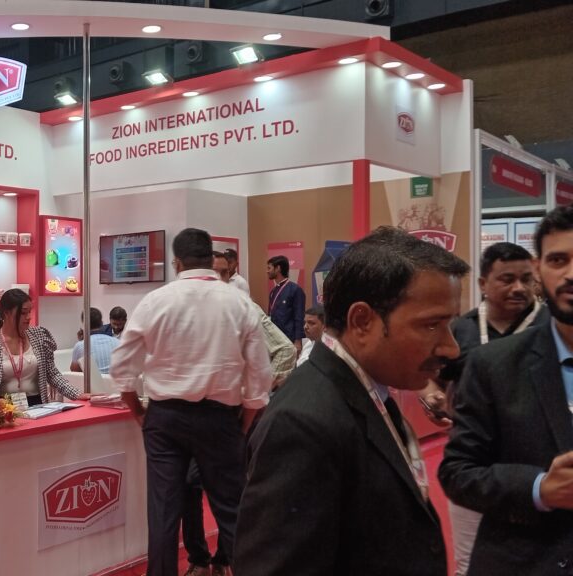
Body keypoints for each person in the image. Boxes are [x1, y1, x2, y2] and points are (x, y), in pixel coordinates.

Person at [234, 226, 468, 576]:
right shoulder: (303, 424)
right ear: (362, 321)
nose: (451, 348)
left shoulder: (361, 391)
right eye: (431, 325)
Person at [110, 228, 273, 576]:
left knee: (163, 513)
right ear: (211, 259)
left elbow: (122, 366)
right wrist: (243, 422)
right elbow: (260, 373)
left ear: (177, 262)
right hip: (221, 418)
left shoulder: (156, 301)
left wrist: (139, 412)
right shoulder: (238, 303)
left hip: (165, 419)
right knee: (233, 511)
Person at [439, 208, 573, 576]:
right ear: (540, 269)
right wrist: (538, 488)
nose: (571, 274)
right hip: (523, 559)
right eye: (558, 260)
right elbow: (458, 472)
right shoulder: (493, 364)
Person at [420, 241, 544, 576]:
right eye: (507, 279)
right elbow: (432, 378)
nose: (519, 288)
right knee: (469, 561)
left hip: (537, 465)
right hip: (472, 461)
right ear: (483, 283)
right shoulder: (462, 329)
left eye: (526, 279)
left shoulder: (552, 328)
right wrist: (434, 398)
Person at [180, 250, 294, 576]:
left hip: (231, 417)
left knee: (226, 492)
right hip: (192, 414)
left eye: (223, 273)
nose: (216, 279)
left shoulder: (244, 308)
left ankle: (224, 559)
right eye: (211, 272)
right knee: (190, 487)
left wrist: (255, 393)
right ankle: (202, 558)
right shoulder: (186, 309)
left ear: (231, 276)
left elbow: (285, 350)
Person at [0, 289, 83, 405]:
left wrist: (77, 394)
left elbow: (53, 374)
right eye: (23, 313)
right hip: (3, 407)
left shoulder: (39, 336)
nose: (29, 317)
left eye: (29, 312)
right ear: (6, 313)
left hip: (37, 405)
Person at [266, 255, 305, 354]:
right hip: (275, 340)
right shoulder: (273, 292)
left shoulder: (295, 290)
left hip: (289, 339)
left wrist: (298, 341)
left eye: (269, 268)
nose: (267, 271)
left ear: (278, 268)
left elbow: (299, 317)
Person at [70, 307, 120, 374]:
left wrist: (82, 341)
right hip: (114, 380)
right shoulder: (117, 342)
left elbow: (75, 372)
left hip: (94, 381)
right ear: (101, 323)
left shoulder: (80, 345)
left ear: (84, 325)